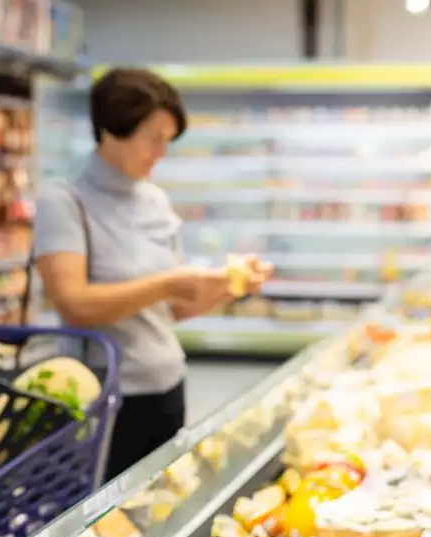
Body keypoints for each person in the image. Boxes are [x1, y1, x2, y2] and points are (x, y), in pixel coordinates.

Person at [33, 67, 268, 483]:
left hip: (168, 386)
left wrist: (232, 286)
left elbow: (174, 309)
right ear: (111, 130)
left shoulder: (155, 201)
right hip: (108, 400)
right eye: (154, 138)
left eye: (168, 140)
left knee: (157, 510)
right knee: (102, 525)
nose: (162, 152)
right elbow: (74, 303)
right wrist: (169, 282)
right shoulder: (64, 202)